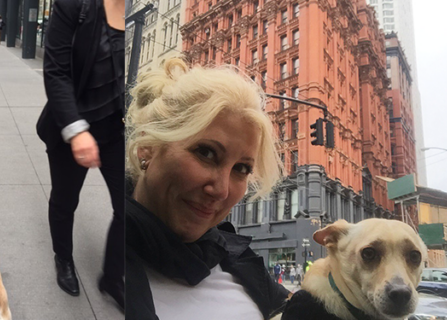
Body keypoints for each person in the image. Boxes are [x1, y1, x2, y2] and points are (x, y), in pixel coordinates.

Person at [124, 58, 289, 319]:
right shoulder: (96, 254)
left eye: (241, 168)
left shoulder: (237, 258)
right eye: (206, 153)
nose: (222, 190)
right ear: (147, 145)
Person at [38, 0, 125, 310]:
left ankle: (114, 277)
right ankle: (63, 258)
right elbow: (56, 71)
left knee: (128, 206)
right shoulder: (77, 5)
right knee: (65, 200)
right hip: (74, 123)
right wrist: (77, 130)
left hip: (118, 131)